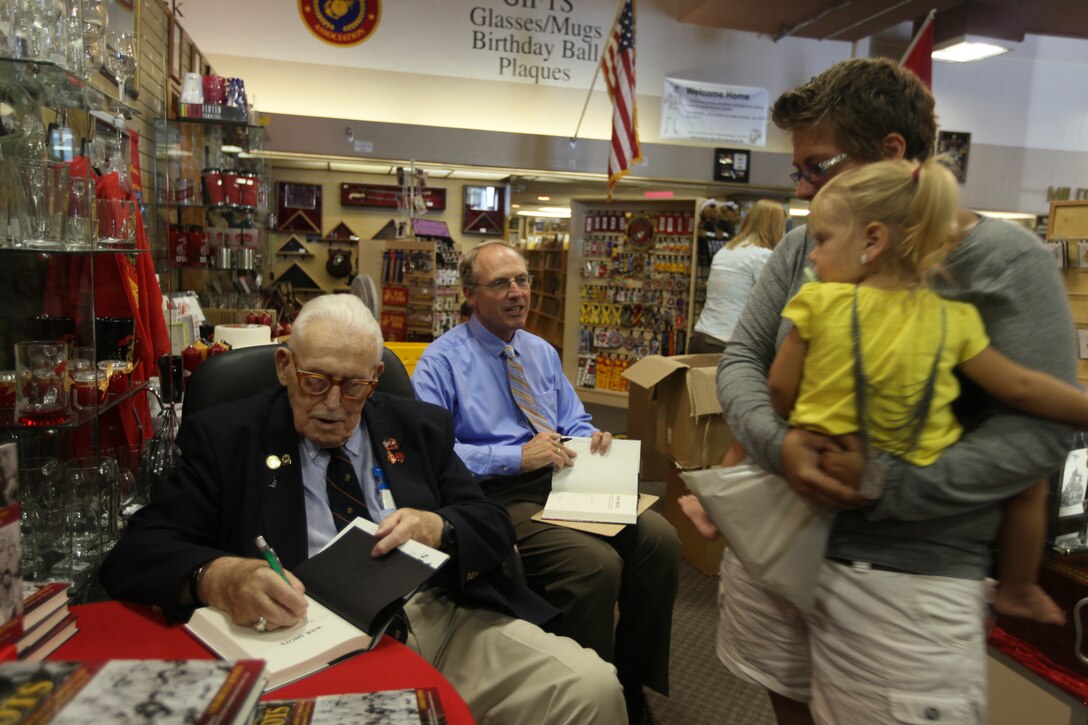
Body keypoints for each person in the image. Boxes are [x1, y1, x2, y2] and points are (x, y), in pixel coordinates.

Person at [714, 57, 1076, 725]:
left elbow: (1040, 428)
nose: (801, 188)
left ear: (889, 153)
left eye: (816, 167)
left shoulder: (1004, 262)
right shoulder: (806, 246)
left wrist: (883, 482)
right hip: (778, 543)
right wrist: (779, 445)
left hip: (908, 578)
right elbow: (742, 361)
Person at [99, 294, 626, 724]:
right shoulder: (227, 436)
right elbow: (138, 552)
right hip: (303, 638)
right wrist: (219, 575)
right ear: (286, 366)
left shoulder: (419, 426)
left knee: (592, 688)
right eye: (316, 381)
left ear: (375, 377)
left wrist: (438, 526)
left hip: (438, 617)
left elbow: (488, 523)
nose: (333, 403)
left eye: (355, 386)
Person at [686, 156, 1086, 624]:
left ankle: (713, 504)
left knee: (749, 440)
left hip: (818, 453)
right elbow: (1020, 387)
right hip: (914, 465)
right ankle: (1018, 588)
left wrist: (788, 422)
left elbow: (776, 388)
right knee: (1029, 486)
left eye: (820, 241)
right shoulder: (951, 317)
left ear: (872, 241)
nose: (810, 255)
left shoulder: (816, 299)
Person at [412, 240, 681, 724]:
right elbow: (433, 454)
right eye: (500, 284)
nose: (517, 293)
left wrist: (590, 435)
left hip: (564, 478)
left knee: (660, 541)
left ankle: (629, 682)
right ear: (471, 294)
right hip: (495, 495)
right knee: (593, 566)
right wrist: (514, 457)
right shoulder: (440, 362)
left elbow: (572, 420)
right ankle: (581, 697)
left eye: (523, 281)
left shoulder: (539, 352)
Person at [690, 199, 786, 354]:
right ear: (776, 226)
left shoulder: (726, 249)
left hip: (701, 336)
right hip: (727, 342)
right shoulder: (763, 256)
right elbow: (773, 303)